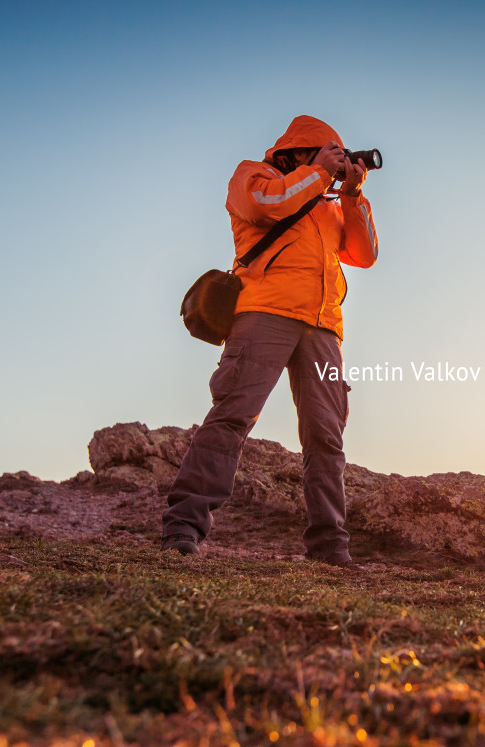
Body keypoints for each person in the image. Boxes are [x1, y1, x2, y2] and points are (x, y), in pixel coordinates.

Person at [160, 115, 379, 567]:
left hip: (322, 326)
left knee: (326, 437)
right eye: (329, 153)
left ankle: (330, 547)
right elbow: (265, 207)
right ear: (300, 150)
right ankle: (183, 528)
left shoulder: (328, 200)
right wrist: (318, 172)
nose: (337, 163)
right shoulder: (254, 176)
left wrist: (353, 194)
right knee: (233, 417)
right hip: (264, 313)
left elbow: (364, 254)